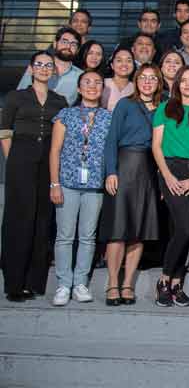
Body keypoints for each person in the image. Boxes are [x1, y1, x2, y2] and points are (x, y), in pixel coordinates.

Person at [1, 52, 68, 301]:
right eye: (38, 64)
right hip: (21, 159)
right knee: (19, 219)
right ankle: (15, 283)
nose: (43, 68)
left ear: (53, 71)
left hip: (47, 162)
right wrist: (15, 161)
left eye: (48, 65)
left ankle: (34, 281)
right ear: (31, 69)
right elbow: (5, 131)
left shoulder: (59, 101)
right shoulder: (16, 97)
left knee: (42, 219)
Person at [100, 64, 163, 307]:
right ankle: (112, 283)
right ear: (136, 81)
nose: (147, 82)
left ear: (159, 82)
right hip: (124, 168)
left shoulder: (164, 107)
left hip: (149, 171)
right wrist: (111, 171)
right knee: (118, 231)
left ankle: (128, 283)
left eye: (152, 78)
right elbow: (111, 140)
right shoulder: (125, 105)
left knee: (138, 232)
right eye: (143, 78)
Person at [49, 70, 113, 306]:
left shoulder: (108, 117)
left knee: (87, 237)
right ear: (79, 88)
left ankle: (80, 283)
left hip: (95, 185)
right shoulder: (66, 115)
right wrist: (54, 183)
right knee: (65, 236)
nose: (92, 86)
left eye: (97, 83)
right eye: (87, 82)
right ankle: (63, 284)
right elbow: (55, 151)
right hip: (67, 183)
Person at [151, 65, 189, 307]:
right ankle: (164, 280)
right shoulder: (165, 108)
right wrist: (167, 176)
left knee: (186, 229)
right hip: (171, 170)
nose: (187, 84)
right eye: (183, 80)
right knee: (183, 228)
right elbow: (156, 146)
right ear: (177, 84)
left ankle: (177, 284)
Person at [18, 27, 82, 105]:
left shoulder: (81, 76)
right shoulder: (37, 67)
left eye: (73, 44)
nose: (68, 47)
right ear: (55, 44)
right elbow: (18, 96)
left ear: (78, 50)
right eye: (64, 42)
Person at [101, 48, 135, 112]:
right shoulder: (102, 83)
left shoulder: (137, 88)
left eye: (129, 61)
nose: (124, 64)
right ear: (112, 65)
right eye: (119, 60)